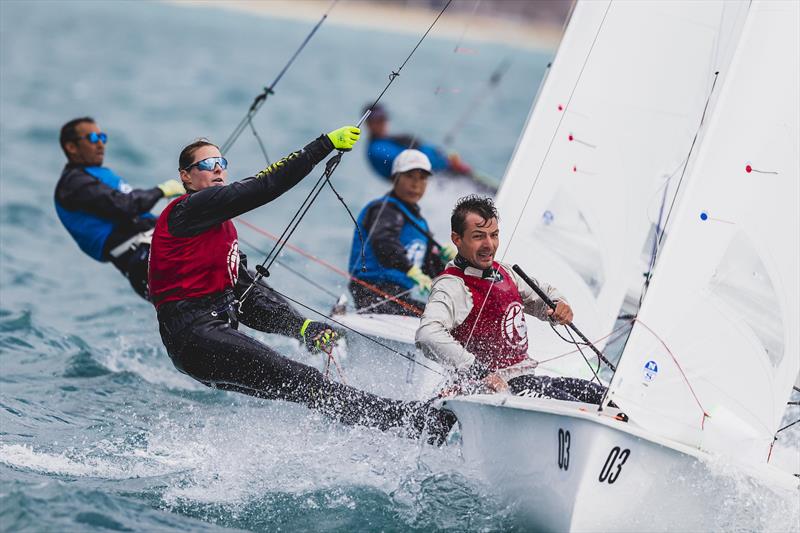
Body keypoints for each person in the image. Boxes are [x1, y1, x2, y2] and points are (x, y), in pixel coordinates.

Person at [149, 127, 455, 443]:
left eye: (221, 161)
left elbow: (249, 299)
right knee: (305, 382)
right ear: (185, 177)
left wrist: (302, 327)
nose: (216, 168)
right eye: (205, 164)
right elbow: (263, 186)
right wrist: (321, 146)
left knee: (304, 388)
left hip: (206, 341)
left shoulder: (221, 229)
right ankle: (414, 423)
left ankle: (404, 430)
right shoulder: (187, 210)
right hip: (195, 336)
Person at [415, 195, 606, 403]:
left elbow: (545, 294)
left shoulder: (504, 271)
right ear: (457, 239)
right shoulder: (452, 285)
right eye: (479, 236)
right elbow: (428, 335)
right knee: (573, 407)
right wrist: (479, 372)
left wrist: (558, 305)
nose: (489, 245)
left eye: (494, 235)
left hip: (525, 380)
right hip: (489, 391)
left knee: (603, 398)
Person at [55, 117, 185, 300]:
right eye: (92, 138)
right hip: (142, 259)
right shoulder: (74, 184)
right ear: (71, 147)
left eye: (102, 137)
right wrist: (161, 191)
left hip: (159, 246)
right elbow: (125, 206)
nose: (100, 144)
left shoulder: (97, 175)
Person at [348, 149, 456, 316]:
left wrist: (449, 263)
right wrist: (409, 269)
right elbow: (384, 243)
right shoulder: (384, 210)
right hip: (371, 291)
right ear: (395, 178)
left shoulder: (419, 222)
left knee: (446, 318)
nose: (416, 184)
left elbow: (428, 268)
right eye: (410, 177)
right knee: (433, 320)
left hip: (397, 295)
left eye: (422, 179)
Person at [363, 104, 472, 180]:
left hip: (450, 169)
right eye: (376, 120)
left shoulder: (390, 140)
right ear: (368, 124)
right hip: (440, 177)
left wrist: (447, 158)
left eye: (383, 118)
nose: (381, 123)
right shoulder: (376, 149)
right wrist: (449, 164)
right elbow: (407, 161)